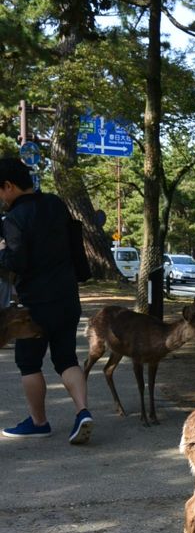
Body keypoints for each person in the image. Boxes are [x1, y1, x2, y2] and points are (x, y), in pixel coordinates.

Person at [0, 157, 93, 444]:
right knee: (66, 358)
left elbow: (17, 262)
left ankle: (39, 422)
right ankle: (82, 412)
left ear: (8, 186)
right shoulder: (55, 204)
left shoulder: (14, 219)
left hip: (35, 306)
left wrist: (2, 251)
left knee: (29, 363)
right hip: (67, 297)